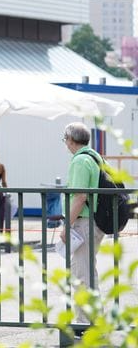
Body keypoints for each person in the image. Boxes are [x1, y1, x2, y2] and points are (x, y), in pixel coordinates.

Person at [60, 122, 105, 337]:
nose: (65, 144)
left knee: (81, 274)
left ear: (70, 139)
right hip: (96, 222)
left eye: (65, 140)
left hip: (84, 223)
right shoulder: (96, 157)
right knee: (88, 271)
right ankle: (94, 320)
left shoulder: (79, 161)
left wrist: (65, 225)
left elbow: (79, 197)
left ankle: (85, 324)